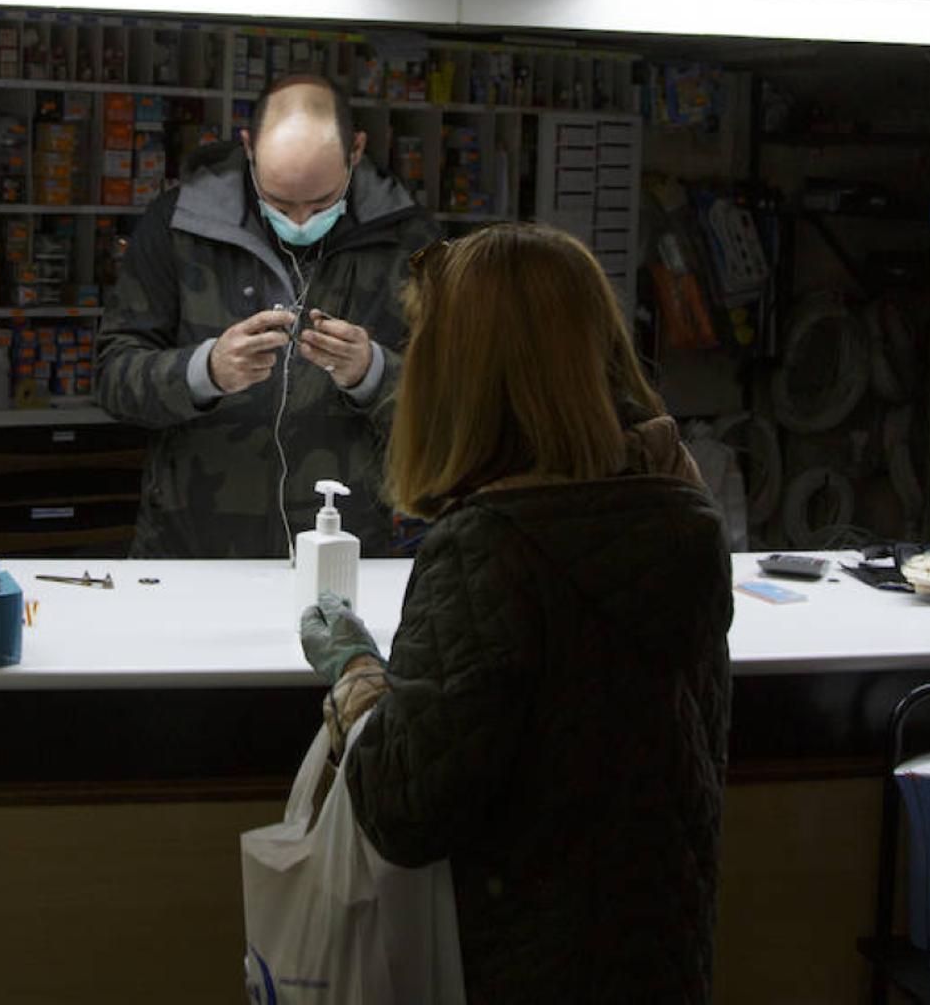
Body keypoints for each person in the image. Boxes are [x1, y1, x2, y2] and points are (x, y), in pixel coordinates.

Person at [297, 223, 732, 1001]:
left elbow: (404, 808)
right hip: (661, 954)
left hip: (522, 964)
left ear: (465, 374)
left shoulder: (491, 550)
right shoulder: (686, 518)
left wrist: (356, 673)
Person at [94, 74, 438, 558]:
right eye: (279, 202)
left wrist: (372, 373)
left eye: (320, 202)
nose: (300, 221)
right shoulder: (179, 226)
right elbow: (111, 377)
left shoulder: (410, 242)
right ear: (249, 148)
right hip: (193, 544)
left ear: (355, 151)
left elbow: (454, 405)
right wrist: (205, 372)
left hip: (346, 546)